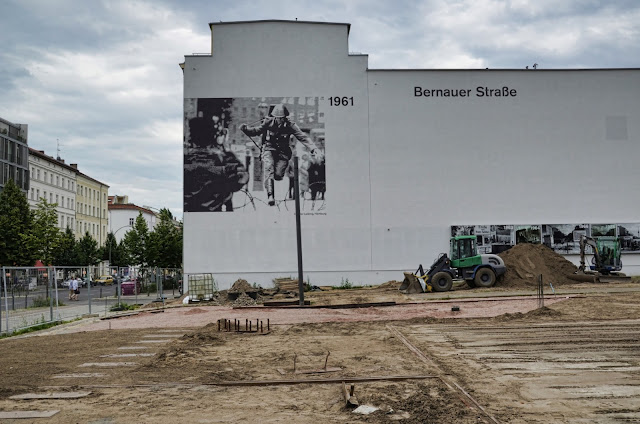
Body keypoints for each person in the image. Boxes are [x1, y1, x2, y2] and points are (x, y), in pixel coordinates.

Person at [240, 104, 322, 206]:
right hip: (269, 149)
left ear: (285, 117)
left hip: (283, 152)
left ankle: (276, 175)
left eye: (281, 118)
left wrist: (313, 148)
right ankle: (270, 195)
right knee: (268, 168)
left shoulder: (290, 125)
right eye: (277, 118)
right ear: (274, 117)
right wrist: (245, 129)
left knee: (278, 175)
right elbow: (256, 131)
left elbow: (302, 137)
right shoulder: (268, 122)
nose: (279, 121)